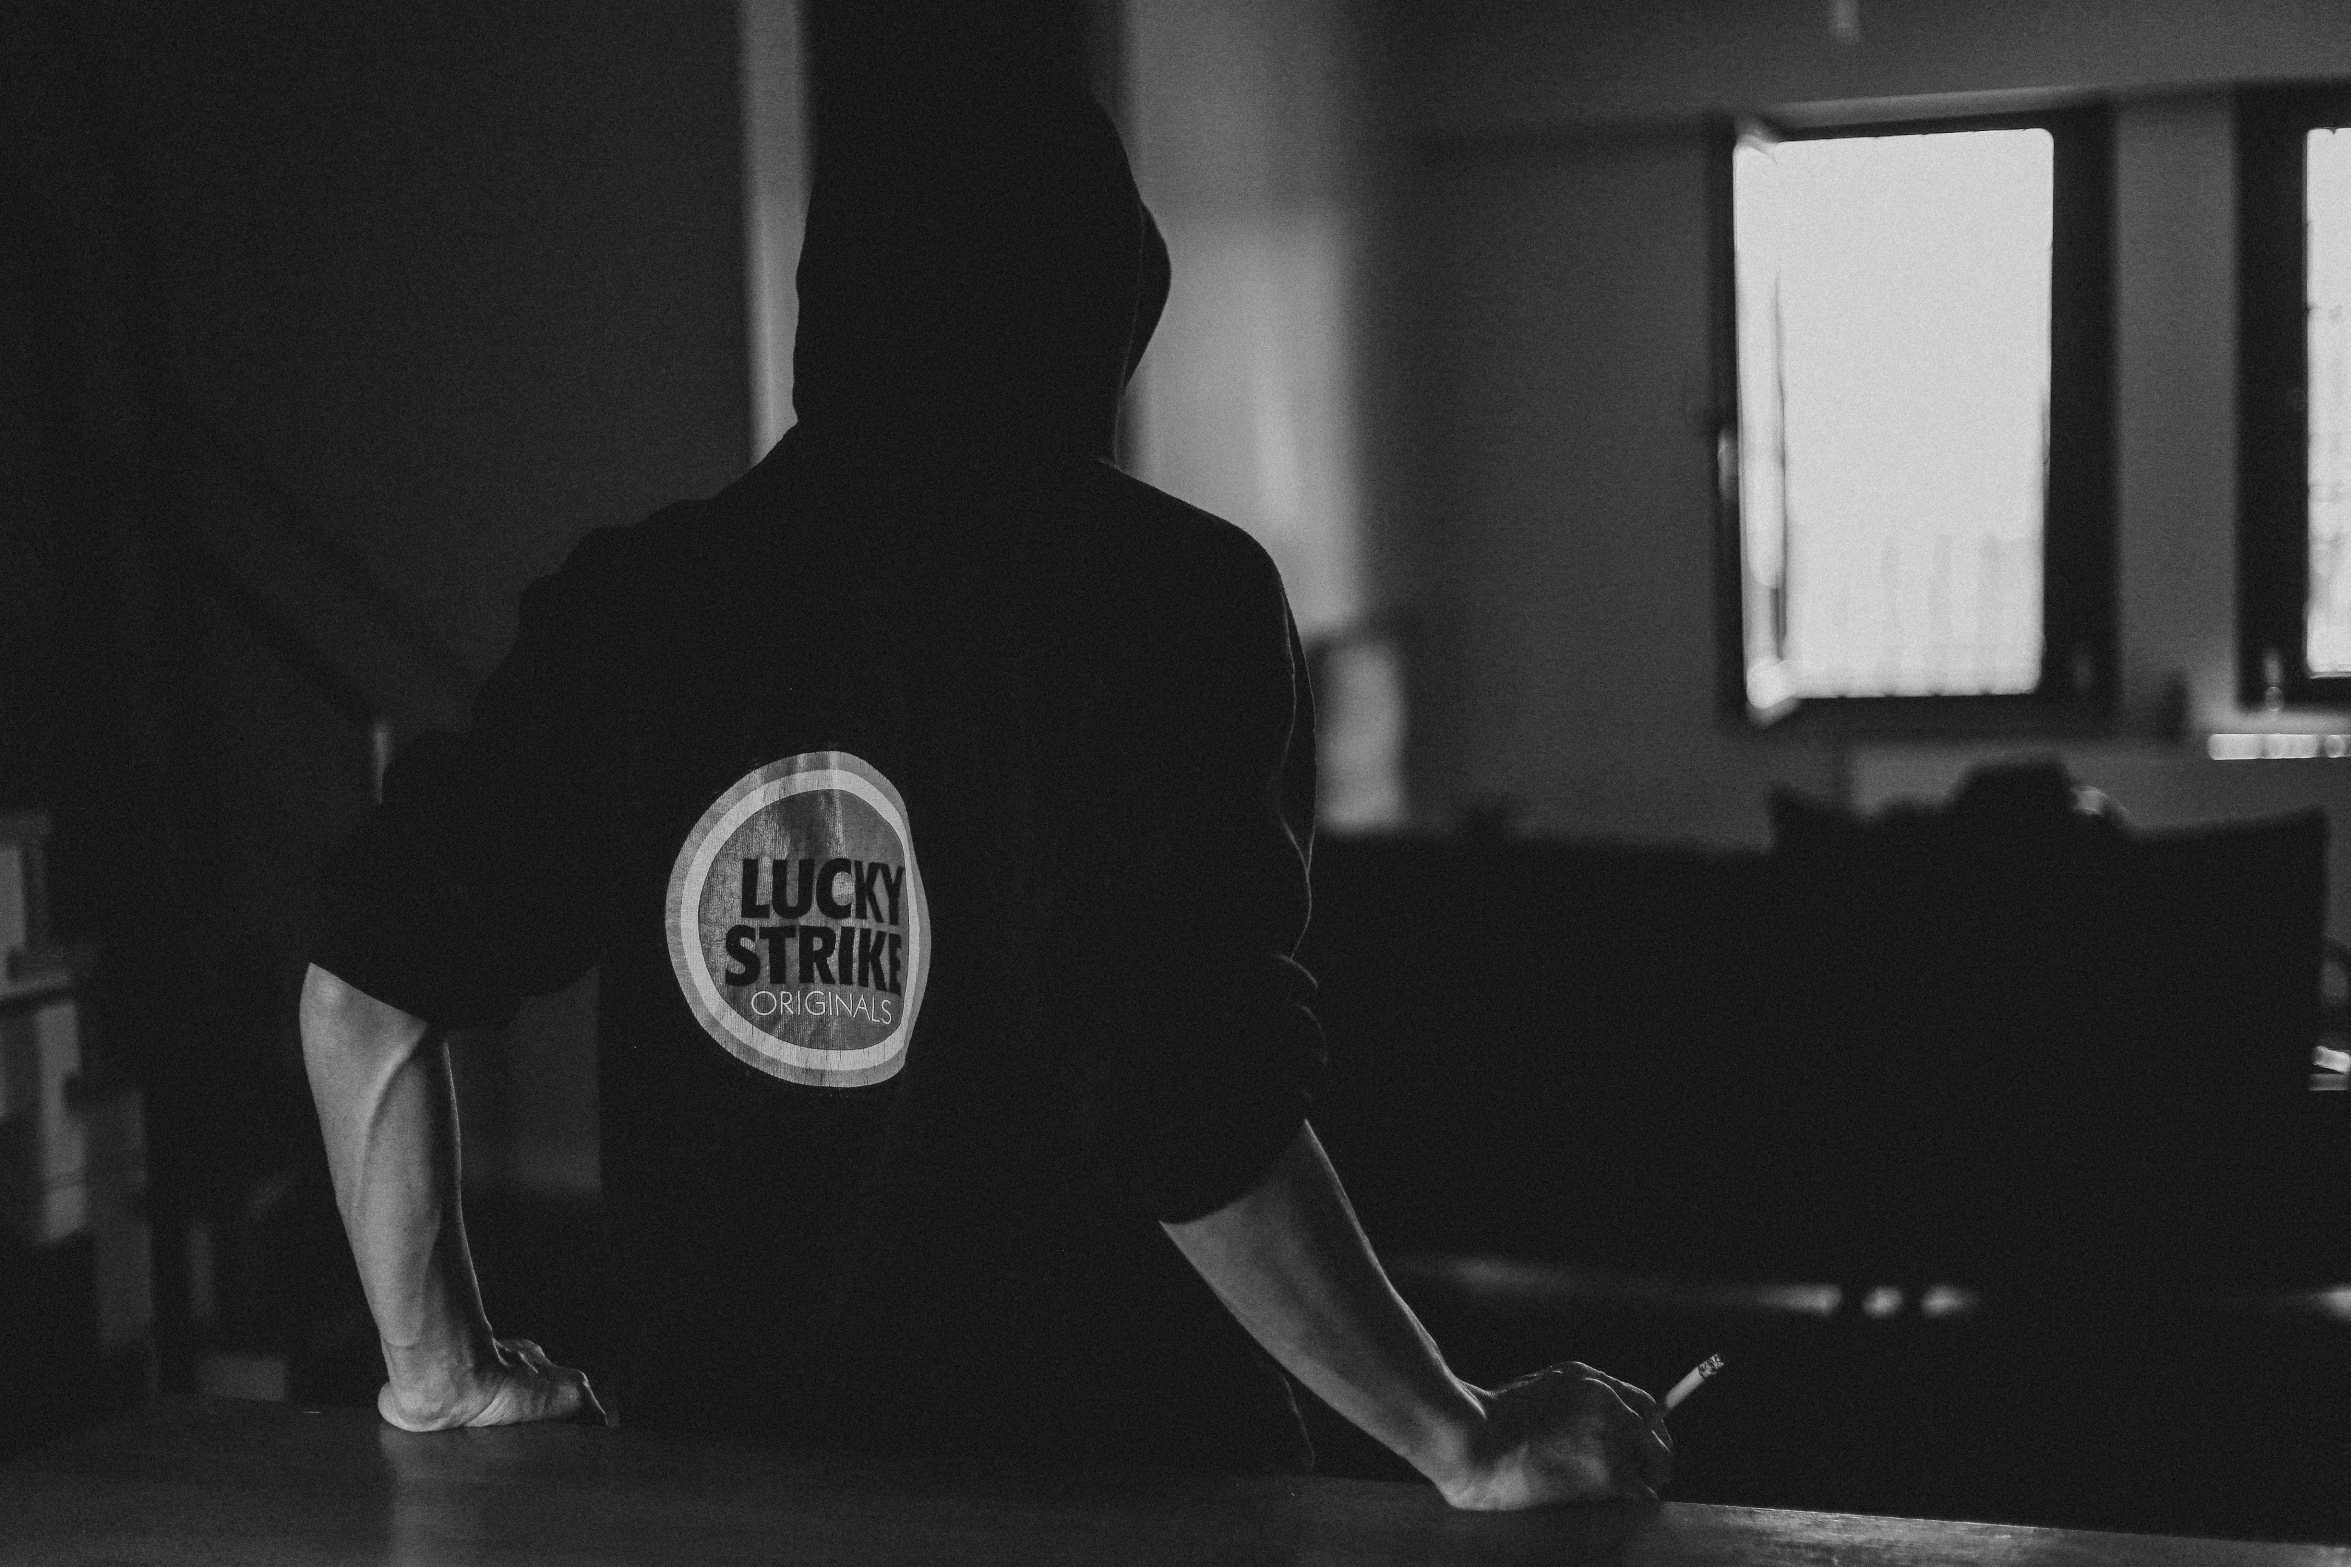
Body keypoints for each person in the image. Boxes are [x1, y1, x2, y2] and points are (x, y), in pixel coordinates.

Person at [299, 21, 1671, 1510]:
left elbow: (363, 987)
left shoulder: (642, 609)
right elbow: (1177, 1085)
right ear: (1107, 307)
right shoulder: (1164, 601)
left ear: (823, 302)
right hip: (1118, 1503)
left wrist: (436, 1373)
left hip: (718, 1506)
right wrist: (1456, 1434)